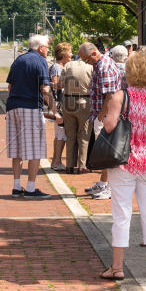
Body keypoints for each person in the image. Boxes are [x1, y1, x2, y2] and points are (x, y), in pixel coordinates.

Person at [99, 50, 146, 282]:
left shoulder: (121, 96)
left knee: (122, 213)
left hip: (124, 162)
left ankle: (117, 266)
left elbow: (109, 126)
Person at [4, 34, 55, 199]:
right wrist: (55, 110)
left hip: (12, 107)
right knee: (35, 149)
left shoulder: (18, 60)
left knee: (17, 149)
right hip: (30, 107)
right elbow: (45, 90)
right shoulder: (40, 61)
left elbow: (10, 87)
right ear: (40, 48)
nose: (48, 50)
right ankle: (31, 189)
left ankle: (16, 186)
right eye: (47, 47)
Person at [83, 41, 124, 200]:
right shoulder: (101, 64)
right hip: (102, 114)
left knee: (107, 152)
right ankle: (103, 183)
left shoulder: (104, 66)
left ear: (94, 53)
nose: (86, 63)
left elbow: (110, 95)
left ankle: (110, 187)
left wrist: (102, 115)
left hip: (105, 115)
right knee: (104, 152)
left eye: (86, 59)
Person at [58, 44, 94, 174]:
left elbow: (60, 84)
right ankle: (82, 165)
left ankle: (69, 165)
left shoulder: (68, 66)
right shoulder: (91, 67)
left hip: (68, 101)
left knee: (70, 134)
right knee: (84, 135)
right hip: (84, 101)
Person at [48, 42, 73, 171]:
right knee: (61, 134)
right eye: (70, 52)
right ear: (64, 54)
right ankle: (56, 162)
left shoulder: (59, 67)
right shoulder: (57, 68)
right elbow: (55, 85)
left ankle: (55, 160)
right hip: (59, 104)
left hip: (60, 104)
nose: (71, 55)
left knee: (60, 134)